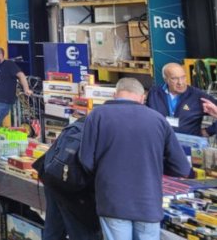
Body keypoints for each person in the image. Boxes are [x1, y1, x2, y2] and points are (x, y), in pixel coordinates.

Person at [79, 77, 190, 239]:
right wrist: (153, 164)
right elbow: (182, 168)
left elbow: (86, 160)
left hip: (113, 202)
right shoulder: (158, 119)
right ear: (142, 97)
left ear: (115, 94)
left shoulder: (97, 116)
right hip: (148, 203)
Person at [145, 62, 217, 136]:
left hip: (188, 144)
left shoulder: (197, 95)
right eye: (174, 78)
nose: (180, 82)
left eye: (183, 77)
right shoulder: (154, 93)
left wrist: (208, 131)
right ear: (165, 79)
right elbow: (147, 116)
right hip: (160, 141)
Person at [0, 46, 32, 125]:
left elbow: (21, 75)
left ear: (0, 55)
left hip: (2, 102)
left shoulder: (9, 64)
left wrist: (26, 89)